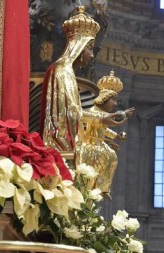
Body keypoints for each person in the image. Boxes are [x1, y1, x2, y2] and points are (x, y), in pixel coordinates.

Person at [40, 6, 102, 153]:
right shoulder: (62, 70)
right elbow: (71, 113)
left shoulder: (66, 70)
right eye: (90, 48)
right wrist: (101, 119)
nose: (92, 55)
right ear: (79, 46)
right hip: (61, 146)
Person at [77, 70, 134, 195]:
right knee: (106, 158)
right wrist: (123, 114)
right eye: (113, 100)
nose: (115, 103)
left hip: (99, 144)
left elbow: (105, 128)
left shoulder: (102, 114)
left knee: (112, 157)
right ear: (104, 98)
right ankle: (97, 187)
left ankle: (103, 188)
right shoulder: (94, 111)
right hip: (90, 145)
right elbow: (111, 118)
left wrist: (115, 136)